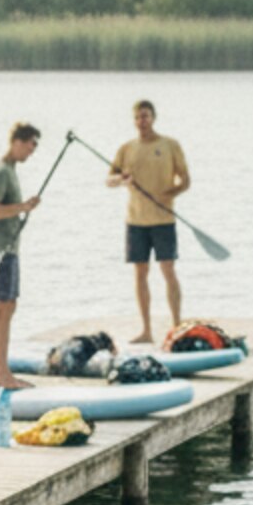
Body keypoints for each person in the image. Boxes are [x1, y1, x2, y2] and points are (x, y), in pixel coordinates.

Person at [108, 98, 190, 342]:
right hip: (136, 221)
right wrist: (121, 179)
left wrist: (169, 194)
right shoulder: (127, 148)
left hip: (163, 219)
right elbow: (110, 180)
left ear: (153, 118)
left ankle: (176, 327)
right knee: (140, 273)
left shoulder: (170, 145)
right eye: (137, 117)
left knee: (168, 269)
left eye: (145, 116)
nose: (141, 121)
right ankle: (146, 331)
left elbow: (185, 181)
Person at [0, 122, 43, 390]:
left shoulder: (10, 171)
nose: (31, 152)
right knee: (2, 307)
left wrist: (23, 208)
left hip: (6, 248)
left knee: (2, 307)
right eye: (30, 145)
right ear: (17, 141)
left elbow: (3, 208)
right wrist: (22, 207)